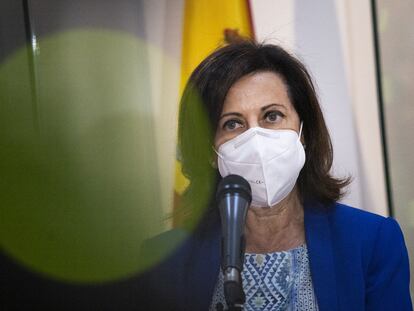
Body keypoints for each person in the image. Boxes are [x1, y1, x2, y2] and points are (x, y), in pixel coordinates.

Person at [139, 41, 412, 310]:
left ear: (303, 132)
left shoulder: (371, 241)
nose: (255, 139)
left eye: (272, 116)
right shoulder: (165, 261)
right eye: (232, 123)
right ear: (211, 151)